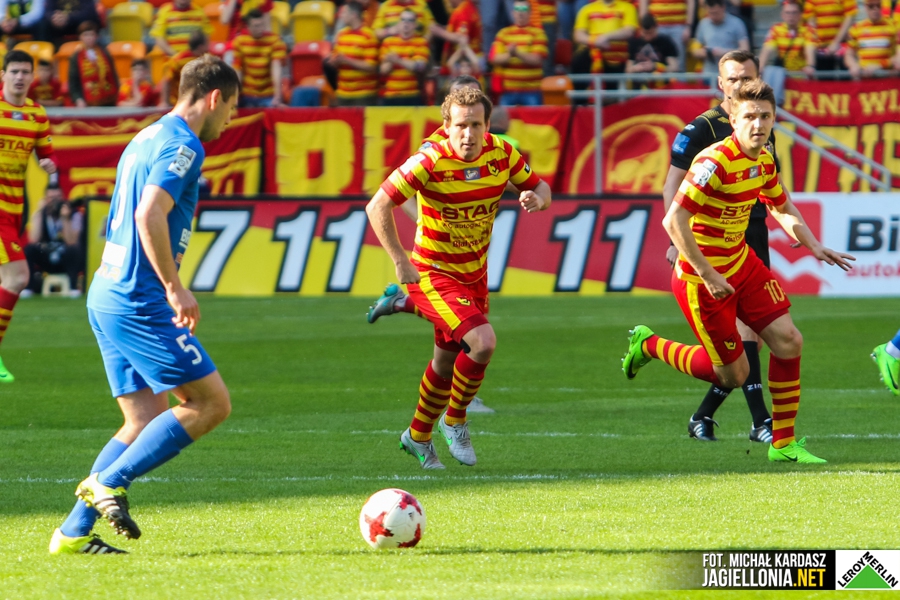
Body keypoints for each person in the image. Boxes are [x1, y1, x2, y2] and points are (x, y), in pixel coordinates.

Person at [48, 54, 240, 555]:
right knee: (210, 403)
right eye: (231, 107)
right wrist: (174, 287)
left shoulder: (146, 135)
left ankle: (72, 534)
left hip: (107, 291)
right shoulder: (185, 145)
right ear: (214, 98)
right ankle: (109, 481)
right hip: (139, 297)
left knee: (142, 419)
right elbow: (148, 213)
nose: (231, 118)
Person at [623, 79, 854, 464]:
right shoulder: (713, 162)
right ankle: (649, 345)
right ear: (733, 119)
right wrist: (708, 274)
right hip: (701, 279)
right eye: (749, 116)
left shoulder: (764, 159)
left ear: (774, 120)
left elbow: (780, 205)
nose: (758, 124)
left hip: (741, 263)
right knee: (733, 375)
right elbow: (673, 221)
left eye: (765, 116)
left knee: (789, 341)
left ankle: (783, 444)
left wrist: (813, 244)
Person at [366, 87, 550, 469]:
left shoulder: (502, 154)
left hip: (474, 276)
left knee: (445, 363)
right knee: (482, 343)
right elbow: (378, 205)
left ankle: (417, 435)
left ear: (488, 125)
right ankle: (455, 420)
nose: (469, 134)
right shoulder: (429, 160)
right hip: (432, 273)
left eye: (476, 125)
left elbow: (540, 186)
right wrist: (400, 260)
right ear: (446, 126)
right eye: (462, 125)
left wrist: (539, 199)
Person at [664, 50, 778, 443]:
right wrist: (676, 241)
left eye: (747, 77)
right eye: (733, 79)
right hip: (709, 241)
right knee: (744, 337)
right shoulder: (700, 129)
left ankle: (706, 416)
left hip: (752, 232)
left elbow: (770, 183)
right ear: (720, 84)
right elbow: (672, 186)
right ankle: (761, 421)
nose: (740, 85)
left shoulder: (762, 120)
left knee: (756, 336)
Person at [0, 50, 57, 383]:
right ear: (3, 75)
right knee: (18, 277)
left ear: (32, 77)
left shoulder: (37, 114)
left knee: (10, 279)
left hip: (13, 210)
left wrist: (47, 163)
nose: (20, 77)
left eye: (25, 72)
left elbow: (47, 154)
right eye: (14, 71)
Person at [23, 181, 83, 297]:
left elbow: (71, 242)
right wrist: (40, 213)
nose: (54, 201)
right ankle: (28, 288)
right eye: (51, 198)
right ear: (45, 199)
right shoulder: (40, 214)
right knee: (29, 249)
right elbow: (34, 239)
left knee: (74, 250)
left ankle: (73, 288)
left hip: (65, 257)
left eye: (57, 197)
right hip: (47, 256)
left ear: (62, 197)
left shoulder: (74, 214)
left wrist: (65, 219)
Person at [489, 0, 548, 106]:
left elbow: (536, 60)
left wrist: (516, 53)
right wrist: (510, 54)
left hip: (532, 91)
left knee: (534, 117)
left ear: (530, 13)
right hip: (508, 91)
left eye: (524, 9)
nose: (520, 13)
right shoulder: (503, 33)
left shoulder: (538, 33)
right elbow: (494, 58)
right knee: (504, 117)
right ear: (513, 13)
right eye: (517, 9)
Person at [327, 1, 380, 107]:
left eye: (344, 13)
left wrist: (346, 60)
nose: (341, 15)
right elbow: (336, 58)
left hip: (363, 95)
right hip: (343, 93)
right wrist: (333, 61)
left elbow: (372, 66)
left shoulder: (368, 36)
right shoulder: (341, 35)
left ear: (353, 15)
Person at [231, 9, 286, 108]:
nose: (260, 29)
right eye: (256, 26)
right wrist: (235, 96)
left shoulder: (275, 41)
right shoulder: (239, 41)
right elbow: (238, 70)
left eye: (262, 25)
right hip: (247, 95)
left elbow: (276, 69)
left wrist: (277, 97)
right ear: (248, 26)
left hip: (268, 95)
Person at [379, 9, 431, 106]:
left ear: (415, 24)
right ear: (399, 23)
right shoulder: (388, 42)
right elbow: (383, 70)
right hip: (390, 95)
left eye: (410, 20)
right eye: (403, 20)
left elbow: (419, 67)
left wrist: (397, 60)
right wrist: (392, 63)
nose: (406, 23)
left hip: (412, 95)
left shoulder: (421, 42)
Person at [758, 0, 818, 79]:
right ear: (782, 15)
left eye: (794, 12)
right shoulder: (776, 29)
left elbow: (810, 49)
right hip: (782, 76)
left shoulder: (808, 30)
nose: (791, 16)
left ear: (800, 14)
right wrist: (760, 67)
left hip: (802, 76)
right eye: (787, 12)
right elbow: (767, 50)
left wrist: (810, 65)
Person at [843, 1, 900, 79]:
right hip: (865, 78)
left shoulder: (894, 26)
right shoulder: (856, 28)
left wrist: (879, 66)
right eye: (871, 6)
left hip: (886, 78)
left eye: (878, 6)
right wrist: (853, 65)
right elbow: (848, 55)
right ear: (865, 7)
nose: (875, 9)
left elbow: (898, 57)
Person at [68, 21, 119, 108]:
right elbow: (73, 82)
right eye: (86, 35)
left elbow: (114, 75)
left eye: (92, 35)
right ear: (80, 37)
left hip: (110, 99)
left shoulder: (105, 52)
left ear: (96, 36)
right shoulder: (76, 57)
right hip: (88, 102)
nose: (89, 38)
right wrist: (78, 99)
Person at [692, 0, 750, 74]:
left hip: (732, 72)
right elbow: (695, 50)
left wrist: (724, 52)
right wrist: (705, 52)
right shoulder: (703, 24)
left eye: (716, 13)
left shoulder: (737, 24)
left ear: (723, 8)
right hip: (709, 73)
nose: (713, 16)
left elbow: (745, 50)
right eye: (710, 13)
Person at [639, 0, 695, 70]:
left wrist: (688, 26)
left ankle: (679, 77)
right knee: (656, 58)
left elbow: (691, 2)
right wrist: (643, 24)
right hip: (656, 26)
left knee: (679, 62)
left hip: (679, 25)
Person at [159, 30, 209, 108]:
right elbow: (167, 80)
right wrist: (164, 102)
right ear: (201, 47)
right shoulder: (178, 60)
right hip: (177, 103)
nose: (209, 46)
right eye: (207, 44)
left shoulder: (206, 60)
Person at [803, 0, 856, 71]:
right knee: (825, 76)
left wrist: (836, 42)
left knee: (845, 76)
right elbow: (811, 25)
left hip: (843, 45)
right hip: (822, 49)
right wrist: (811, 63)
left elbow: (850, 17)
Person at [625, 13, 679, 84]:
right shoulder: (634, 42)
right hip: (639, 84)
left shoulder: (666, 41)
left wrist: (656, 66)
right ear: (640, 30)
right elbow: (628, 70)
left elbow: (674, 68)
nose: (648, 36)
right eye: (645, 33)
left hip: (661, 84)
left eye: (650, 33)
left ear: (656, 28)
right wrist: (637, 68)